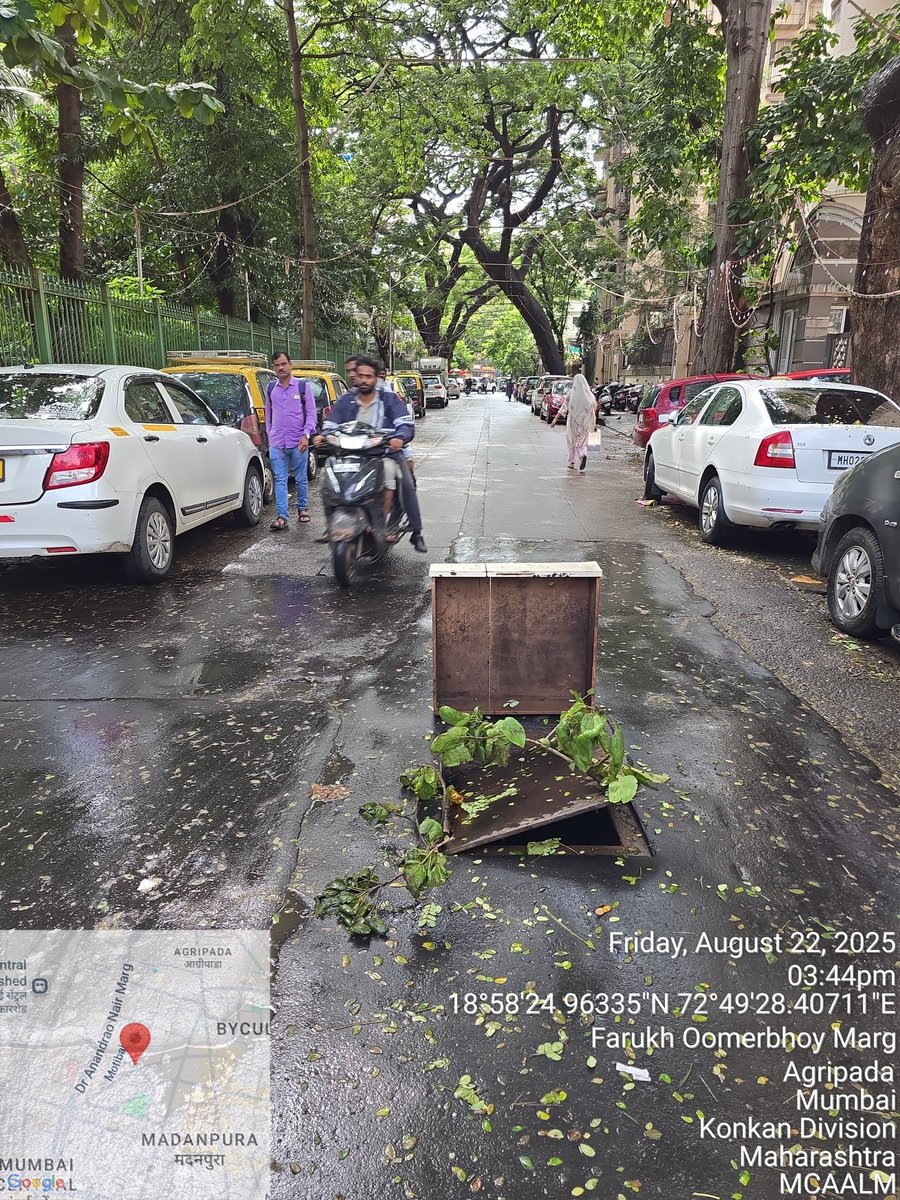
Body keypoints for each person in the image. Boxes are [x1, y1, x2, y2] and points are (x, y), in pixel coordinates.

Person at [314, 355, 427, 552]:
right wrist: (322, 436)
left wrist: (399, 437)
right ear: (355, 377)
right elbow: (331, 424)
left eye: (369, 376)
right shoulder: (347, 400)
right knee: (328, 476)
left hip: (383, 454)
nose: (364, 379)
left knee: (402, 479)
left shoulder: (389, 398)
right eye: (361, 376)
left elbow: (405, 424)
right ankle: (330, 524)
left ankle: (414, 531)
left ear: (376, 378)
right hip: (351, 454)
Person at [264, 351, 317, 530]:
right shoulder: (271, 388)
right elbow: (268, 415)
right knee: (280, 479)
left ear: (290, 365)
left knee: (301, 478)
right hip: (277, 443)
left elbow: (311, 414)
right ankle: (282, 517)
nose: (281, 367)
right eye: (277, 365)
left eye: (284, 363)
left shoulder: (303, 387)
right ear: (273, 367)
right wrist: (270, 435)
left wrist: (306, 435)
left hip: (298, 442)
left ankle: (302, 509)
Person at [550, 374, 596, 472]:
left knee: (571, 441)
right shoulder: (589, 395)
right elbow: (592, 411)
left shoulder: (572, 394)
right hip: (585, 423)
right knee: (582, 442)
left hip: (573, 422)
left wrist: (555, 419)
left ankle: (571, 462)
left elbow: (564, 407)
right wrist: (593, 424)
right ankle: (583, 454)